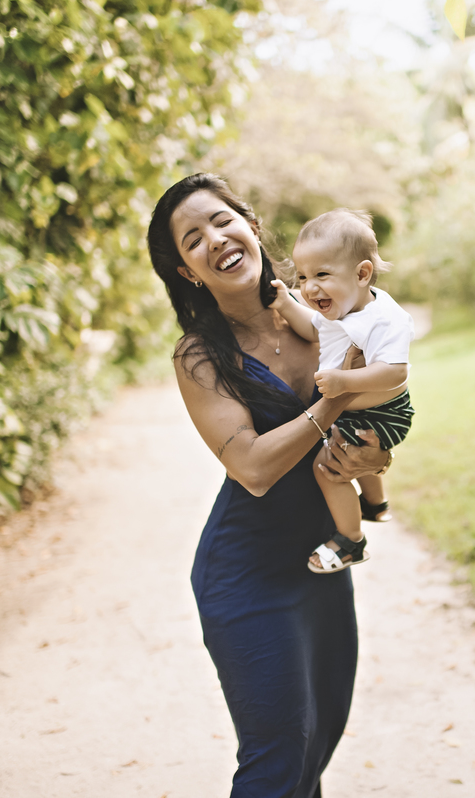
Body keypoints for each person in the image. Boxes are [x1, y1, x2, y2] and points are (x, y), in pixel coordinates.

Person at [147, 173, 391, 797]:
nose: (214, 240)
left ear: (251, 227)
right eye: (192, 239)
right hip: (246, 571)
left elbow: (379, 406)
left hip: (319, 563)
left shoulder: (326, 314)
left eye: (221, 221)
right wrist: (333, 403)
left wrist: (370, 462)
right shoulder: (200, 356)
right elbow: (252, 468)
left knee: (317, 737)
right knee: (278, 755)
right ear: (187, 272)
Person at [268, 209, 415, 574]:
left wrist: (345, 382)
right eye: (302, 276)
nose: (309, 287)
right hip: (359, 409)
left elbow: (396, 372)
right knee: (350, 451)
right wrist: (287, 304)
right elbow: (314, 331)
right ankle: (375, 505)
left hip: (383, 412)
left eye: (321, 274)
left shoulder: (385, 318)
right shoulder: (342, 311)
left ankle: (351, 540)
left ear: (362, 274)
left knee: (327, 467)